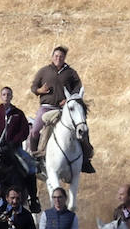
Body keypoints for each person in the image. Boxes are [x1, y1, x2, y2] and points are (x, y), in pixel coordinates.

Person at [27, 45, 94, 173]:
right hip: (46, 108)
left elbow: (78, 88)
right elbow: (34, 86)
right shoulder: (43, 71)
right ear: (52, 57)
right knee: (35, 130)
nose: (58, 58)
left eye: (61, 56)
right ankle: (35, 158)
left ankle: (85, 159)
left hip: (64, 109)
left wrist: (69, 100)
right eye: (56, 56)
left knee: (82, 127)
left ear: (64, 58)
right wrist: (39, 90)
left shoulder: (71, 73)